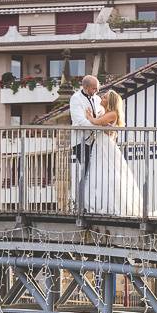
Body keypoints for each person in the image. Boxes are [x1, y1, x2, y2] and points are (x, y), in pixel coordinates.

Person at [84, 90, 143, 216]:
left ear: (109, 101)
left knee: (109, 173)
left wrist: (89, 116)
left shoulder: (112, 114)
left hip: (106, 146)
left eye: (104, 97)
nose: (101, 99)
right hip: (100, 145)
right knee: (99, 173)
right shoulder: (105, 113)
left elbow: (96, 123)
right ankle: (99, 204)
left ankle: (111, 206)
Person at [68, 75, 104, 211]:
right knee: (85, 172)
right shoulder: (76, 99)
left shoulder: (97, 98)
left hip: (96, 141)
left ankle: (91, 203)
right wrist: (97, 125)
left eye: (97, 88)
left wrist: (98, 122)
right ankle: (81, 204)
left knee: (94, 172)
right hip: (80, 142)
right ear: (85, 87)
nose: (96, 91)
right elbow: (79, 120)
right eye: (94, 88)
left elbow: (101, 114)